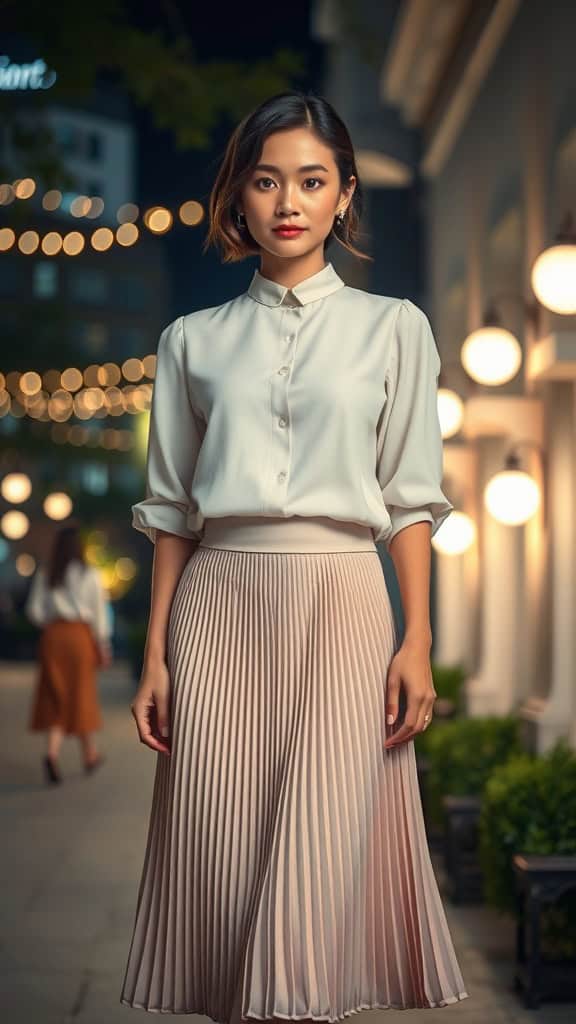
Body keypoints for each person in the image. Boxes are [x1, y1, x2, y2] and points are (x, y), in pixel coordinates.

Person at [120, 91, 469, 1019]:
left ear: (344, 195)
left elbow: (410, 501)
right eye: (267, 179)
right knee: (228, 862)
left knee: (317, 857)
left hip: (345, 604)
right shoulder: (190, 342)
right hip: (218, 609)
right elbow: (171, 513)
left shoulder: (395, 328)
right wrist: (155, 654)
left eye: (312, 181)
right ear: (237, 196)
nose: (288, 200)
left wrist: (417, 637)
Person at [25, 521, 111, 784]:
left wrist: (51, 621)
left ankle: (58, 754)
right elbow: (99, 615)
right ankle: (89, 755)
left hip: (53, 637)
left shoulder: (48, 574)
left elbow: (34, 612)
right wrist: (103, 645)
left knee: (56, 695)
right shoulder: (91, 575)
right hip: (79, 638)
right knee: (81, 695)